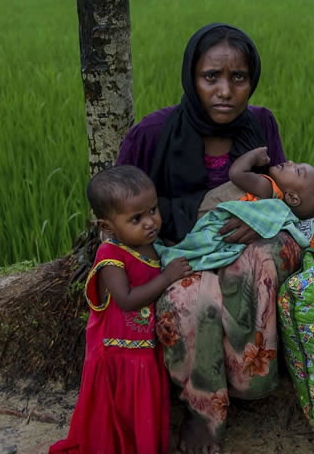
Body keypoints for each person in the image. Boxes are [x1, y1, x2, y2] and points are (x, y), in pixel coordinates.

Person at [116, 23, 305, 453]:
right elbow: (121, 207)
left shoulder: (260, 124)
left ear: (251, 81)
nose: (225, 90)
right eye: (211, 77)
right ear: (191, 77)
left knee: (260, 260)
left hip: (247, 243)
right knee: (190, 300)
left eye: (238, 78)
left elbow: (280, 194)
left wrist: (261, 216)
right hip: (181, 246)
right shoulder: (154, 132)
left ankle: (247, 379)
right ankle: (204, 411)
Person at [49, 165, 193, 454]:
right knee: (121, 413)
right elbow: (126, 300)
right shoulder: (110, 254)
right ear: (107, 226)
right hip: (119, 354)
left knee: (146, 408)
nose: (150, 222)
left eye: (153, 210)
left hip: (144, 350)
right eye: (136, 218)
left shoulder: (151, 245)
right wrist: (167, 277)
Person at [229, 146, 314, 219]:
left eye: (297, 170)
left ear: (291, 198)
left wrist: (254, 155)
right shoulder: (276, 214)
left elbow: (236, 173)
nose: (290, 162)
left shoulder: (267, 188)